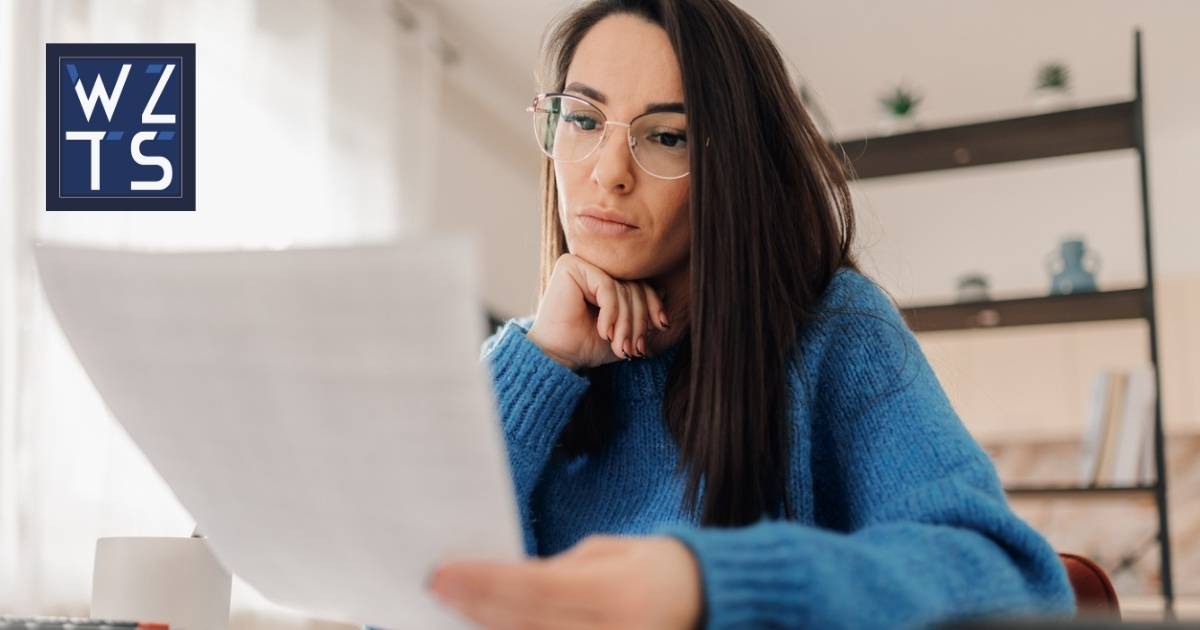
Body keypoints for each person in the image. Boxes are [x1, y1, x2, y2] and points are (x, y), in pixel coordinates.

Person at [425, 0, 1076, 627]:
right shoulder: (530, 359)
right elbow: (407, 603)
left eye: (668, 136)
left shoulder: (834, 330)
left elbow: (1017, 587)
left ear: (728, 164)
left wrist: (706, 586)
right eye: (584, 120)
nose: (608, 172)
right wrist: (541, 360)